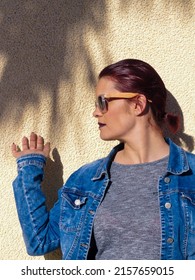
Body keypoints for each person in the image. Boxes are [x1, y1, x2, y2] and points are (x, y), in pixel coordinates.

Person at [12, 59, 195, 260]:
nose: (96, 112)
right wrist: (29, 169)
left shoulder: (191, 176)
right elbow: (40, 241)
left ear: (138, 104)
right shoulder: (86, 180)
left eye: (103, 102)